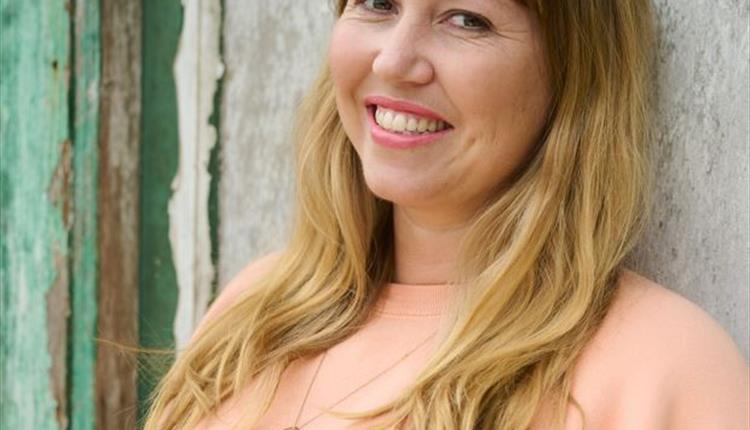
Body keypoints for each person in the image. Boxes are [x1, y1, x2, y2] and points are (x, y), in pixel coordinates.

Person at [144, 0, 749, 429]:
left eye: (468, 19)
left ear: (574, 73)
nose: (395, 61)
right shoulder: (256, 315)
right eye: (378, 3)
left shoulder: (666, 369)